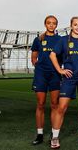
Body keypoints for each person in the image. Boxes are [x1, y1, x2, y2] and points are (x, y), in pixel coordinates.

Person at [49, 16, 78, 149]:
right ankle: (55, 136)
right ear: (71, 26)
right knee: (61, 107)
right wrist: (60, 70)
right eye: (75, 24)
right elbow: (52, 55)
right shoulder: (63, 40)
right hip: (69, 77)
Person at [31, 15, 61, 145]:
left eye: (54, 23)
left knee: (54, 104)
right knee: (41, 104)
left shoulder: (60, 40)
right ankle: (39, 134)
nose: (51, 25)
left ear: (56, 25)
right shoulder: (38, 39)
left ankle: (54, 136)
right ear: (45, 24)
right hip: (41, 75)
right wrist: (40, 67)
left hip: (55, 75)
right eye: (49, 23)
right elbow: (33, 58)